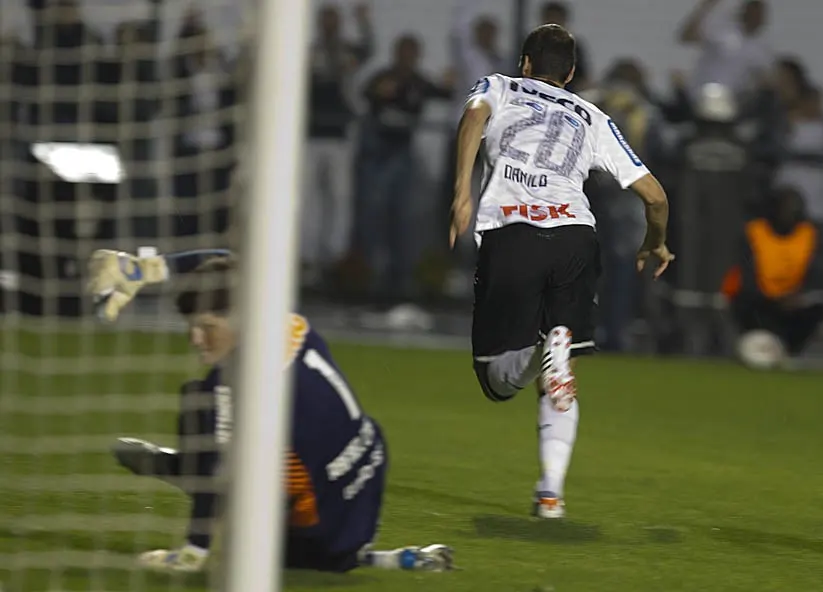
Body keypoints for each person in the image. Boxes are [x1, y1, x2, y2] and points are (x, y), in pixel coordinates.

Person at [86, 249, 453, 574]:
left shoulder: (231, 386)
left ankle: (172, 467)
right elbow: (228, 263)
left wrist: (193, 551)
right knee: (263, 447)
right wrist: (146, 270)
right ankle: (375, 557)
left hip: (318, 533)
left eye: (207, 327)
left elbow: (217, 476)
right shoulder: (288, 322)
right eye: (192, 327)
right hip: (366, 486)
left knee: (199, 407)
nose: (195, 338)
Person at [448, 24, 674, 519]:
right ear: (570, 74)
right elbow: (655, 195)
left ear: (526, 63)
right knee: (561, 371)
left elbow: (472, 120)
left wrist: (462, 191)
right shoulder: (593, 116)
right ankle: (550, 491)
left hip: (512, 235)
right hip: (575, 239)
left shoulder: (499, 86)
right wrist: (654, 243)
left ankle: (539, 353)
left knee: (496, 380)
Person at [721, 186, 823, 361]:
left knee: (819, 303)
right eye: (785, 207)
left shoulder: (809, 234)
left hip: (794, 301)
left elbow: (817, 274)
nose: (788, 213)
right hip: (760, 301)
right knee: (741, 296)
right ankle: (756, 342)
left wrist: (798, 296)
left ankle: (789, 350)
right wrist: (771, 298)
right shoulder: (755, 232)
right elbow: (746, 273)